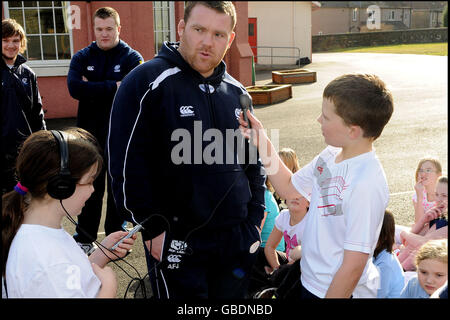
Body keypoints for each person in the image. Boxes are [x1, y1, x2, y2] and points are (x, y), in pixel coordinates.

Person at [107, 1, 265, 299]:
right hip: (177, 241)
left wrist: (255, 219)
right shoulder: (145, 82)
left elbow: (254, 163)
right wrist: (153, 231)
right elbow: (125, 166)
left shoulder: (238, 93)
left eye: (219, 34)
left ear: (230, 39)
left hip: (237, 241)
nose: (208, 41)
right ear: (181, 28)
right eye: (199, 29)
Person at [240, 73, 394, 298]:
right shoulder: (331, 154)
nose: (318, 120)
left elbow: (353, 266)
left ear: (353, 130)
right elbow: (289, 189)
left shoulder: (367, 184)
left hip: (332, 291)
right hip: (307, 278)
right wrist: (261, 140)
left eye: (326, 117)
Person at [2, 129, 136, 298]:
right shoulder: (44, 257)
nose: (93, 190)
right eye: (89, 181)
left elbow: (68, 278)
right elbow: (57, 272)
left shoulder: (43, 231)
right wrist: (108, 290)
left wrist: (101, 255)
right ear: (61, 186)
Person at [67, 7, 143, 254]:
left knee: (118, 189)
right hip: (88, 138)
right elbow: (75, 88)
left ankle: (115, 237)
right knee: (90, 188)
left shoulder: (132, 58)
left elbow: (132, 92)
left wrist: (95, 89)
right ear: (94, 30)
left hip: (120, 136)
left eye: (109, 28)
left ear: (118, 29)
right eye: (99, 29)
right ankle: (85, 239)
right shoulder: (82, 57)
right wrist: (114, 86)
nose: (104, 34)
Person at [1, 18, 46, 195]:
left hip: (24, 152)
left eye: (15, 40)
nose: (11, 45)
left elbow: (37, 113)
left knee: (22, 201)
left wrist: (43, 144)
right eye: (5, 40)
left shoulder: (28, 74)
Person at [398, 176, 448, 271]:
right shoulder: (439, 217)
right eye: (436, 194)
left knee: (417, 248)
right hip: (405, 266)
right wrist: (423, 220)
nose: (438, 199)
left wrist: (404, 233)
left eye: (445, 196)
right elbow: (407, 242)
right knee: (411, 247)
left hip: (429, 270)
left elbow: (424, 243)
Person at [394, 158, 442, 244]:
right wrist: (419, 196)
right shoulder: (418, 195)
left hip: (435, 236)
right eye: (420, 170)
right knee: (386, 229)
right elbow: (418, 223)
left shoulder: (443, 194)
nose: (423, 173)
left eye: (428, 170)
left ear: (439, 175)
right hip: (419, 233)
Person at [372, 210, 405, 298]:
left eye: (372, 234)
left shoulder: (385, 264)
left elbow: (378, 295)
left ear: (384, 236)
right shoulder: (377, 252)